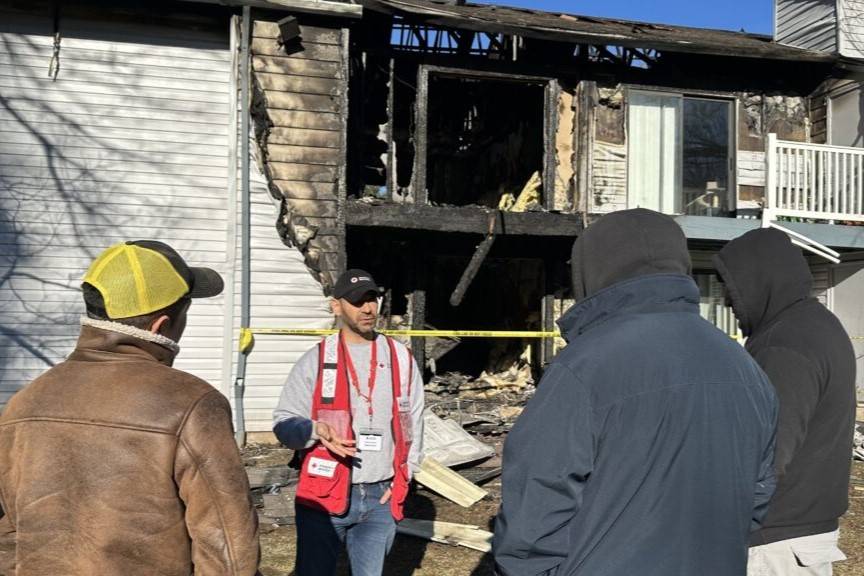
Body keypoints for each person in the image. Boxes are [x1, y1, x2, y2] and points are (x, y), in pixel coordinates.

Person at [493, 208, 778, 576]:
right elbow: (757, 495)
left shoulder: (584, 367)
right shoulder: (744, 367)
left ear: (590, 272)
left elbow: (533, 509)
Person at [0, 240, 260, 575]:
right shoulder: (191, 404)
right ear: (161, 325)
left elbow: (8, 534)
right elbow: (226, 544)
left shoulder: (25, 402)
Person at [714, 228, 856, 576]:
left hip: (774, 542)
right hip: (800, 533)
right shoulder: (818, 325)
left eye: (733, 288)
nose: (728, 302)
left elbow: (766, 453)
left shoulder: (785, 345)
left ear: (760, 280)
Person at [273, 268, 424, 576]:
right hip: (323, 493)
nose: (368, 309)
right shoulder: (316, 359)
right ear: (336, 306)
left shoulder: (401, 358)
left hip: (381, 496)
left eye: (373, 299)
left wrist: (403, 480)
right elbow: (283, 423)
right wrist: (314, 430)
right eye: (357, 301)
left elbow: (415, 424)